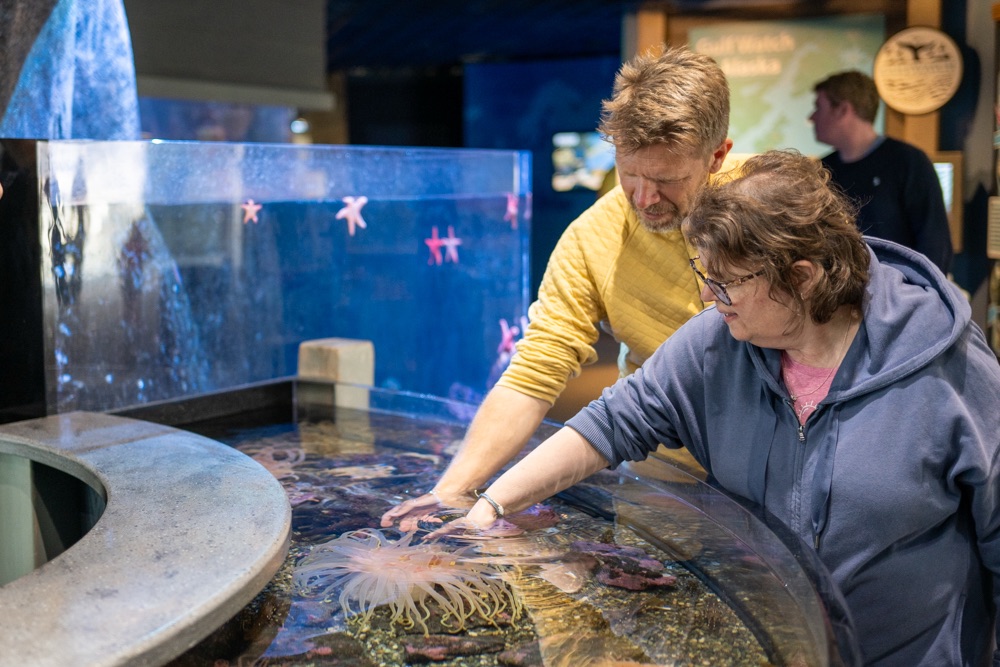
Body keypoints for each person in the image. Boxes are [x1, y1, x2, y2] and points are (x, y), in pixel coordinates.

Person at [448, 150, 1000, 666]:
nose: (710, 297)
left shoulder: (947, 367)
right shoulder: (716, 342)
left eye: (727, 283)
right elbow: (612, 422)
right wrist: (490, 505)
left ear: (801, 276)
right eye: (705, 276)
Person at [382, 46, 733, 530]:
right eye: (630, 173)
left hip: (775, 466)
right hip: (665, 472)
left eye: (667, 179)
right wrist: (451, 491)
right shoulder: (591, 239)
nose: (645, 198)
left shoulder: (767, 202)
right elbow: (534, 372)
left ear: (717, 156)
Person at [809, 70, 952, 274]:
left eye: (818, 107)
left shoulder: (908, 162)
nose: (812, 117)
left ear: (842, 110)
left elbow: (935, 244)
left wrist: (923, 291)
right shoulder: (822, 171)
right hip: (838, 292)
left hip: (900, 291)